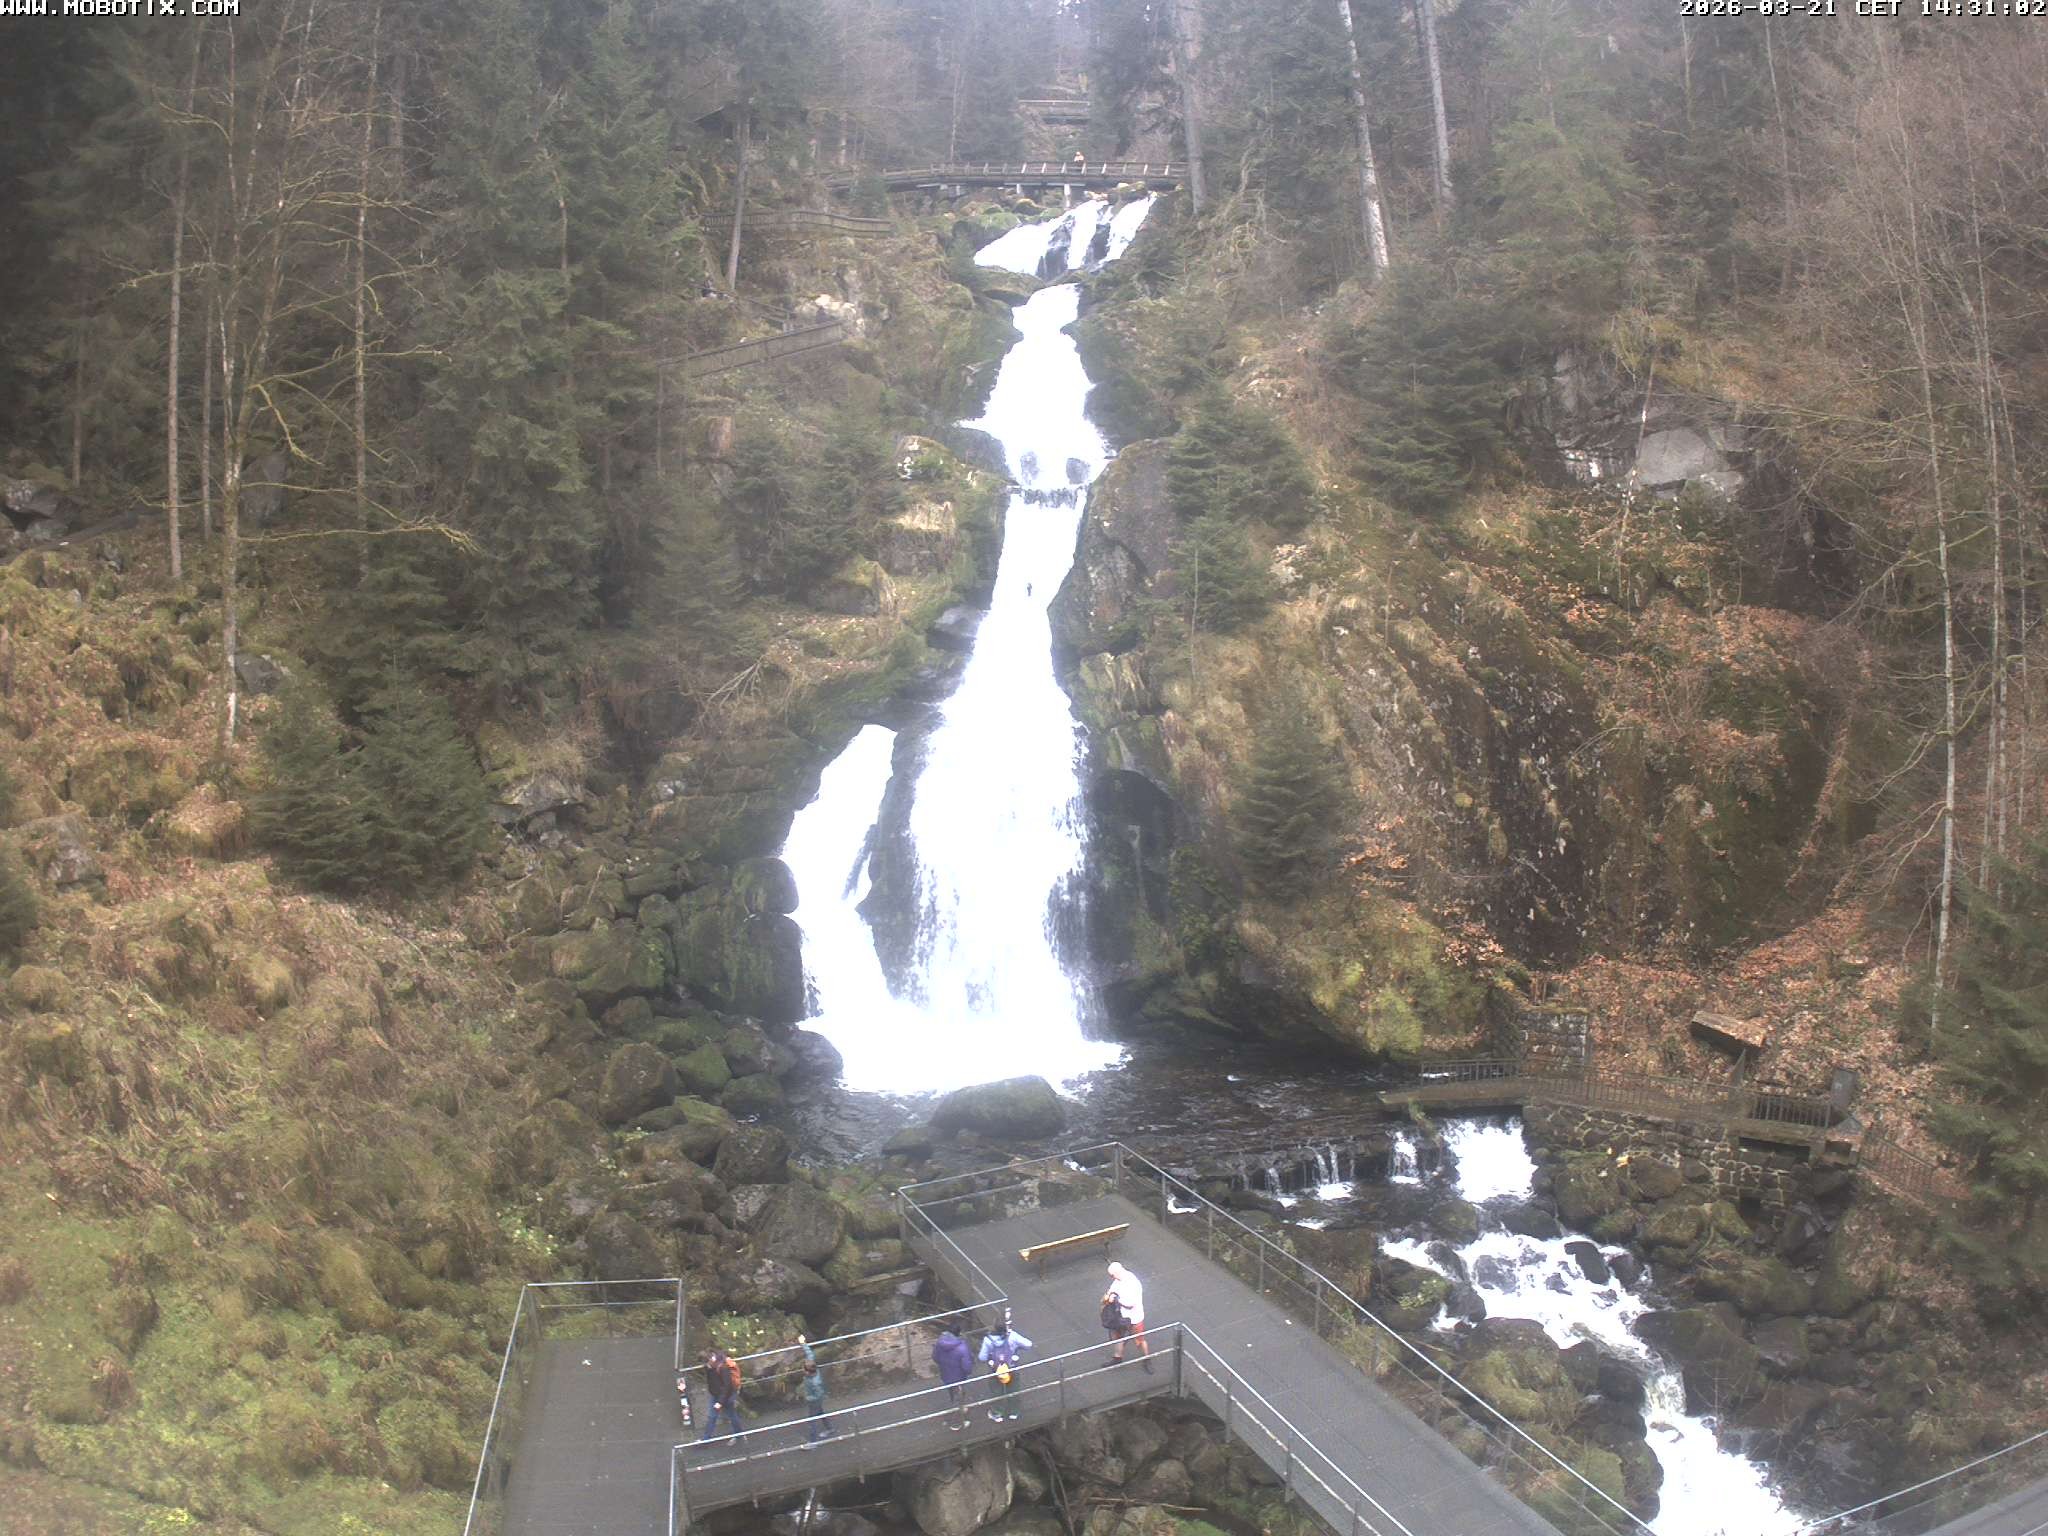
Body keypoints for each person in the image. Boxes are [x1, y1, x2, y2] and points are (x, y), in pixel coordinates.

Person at [978, 1315, 1033, 1422]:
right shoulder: (1013, 1336)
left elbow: (982, 1357)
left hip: (995, 1369)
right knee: (1014, 1389)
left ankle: (997, 1413)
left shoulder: (988, 1339)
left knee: (996, 1391)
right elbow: (1028, 1344)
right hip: (1011, 1367)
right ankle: (1014, 1412)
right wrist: (1016, 1347)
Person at [1103, 1262, 1152, 1372]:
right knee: (1119, 1337)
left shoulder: (1132, 1283)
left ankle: (1146, 1359)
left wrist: (1116, 1300)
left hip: (1134, 1317)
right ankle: (1117, 1357)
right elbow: (1111, 1291)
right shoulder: (1118, 1280)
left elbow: (1130, 1304)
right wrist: (1109, 1295)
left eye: (1112, 1275)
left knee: (1139, 1340)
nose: (1112, 1277)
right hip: (1121, 1316)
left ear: (1116, 1272)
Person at [933, 1322, 975, 1430]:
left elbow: (935, 1357)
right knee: (959, 1396)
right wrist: (968, 1371)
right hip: (958, 1376)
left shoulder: (940, 1342)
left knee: (952, 1392)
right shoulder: (962, 1347)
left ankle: (959, 1408)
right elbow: (967, 1366)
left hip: (945, 1373)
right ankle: (956, 1422)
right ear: (958, 1333)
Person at [699, 1347, 745, 1440]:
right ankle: (706, 1439)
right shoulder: (711, 1366)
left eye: (707, 1363)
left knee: (730, 1415)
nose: (707, 1365)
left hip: (726, 1396)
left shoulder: (723, 1367)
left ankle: (739, 1434)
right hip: (716, 1395)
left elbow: (727, 1386)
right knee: (715, 1416)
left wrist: (720, 1402)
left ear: (711, 1359)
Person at [799, 1361, 834, 1445]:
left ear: (807, 1372)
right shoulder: (815, 1370)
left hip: (814, 1403)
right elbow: (810, 1355)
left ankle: (812, 1442)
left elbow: (819, 1394)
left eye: (803, 1369)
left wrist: (807, 1397)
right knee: (821, 1414)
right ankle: (830, 1429)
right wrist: (804, 1347)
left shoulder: (815, 1382)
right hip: (815, 1402)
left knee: (812, 1422)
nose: (802, 1370)